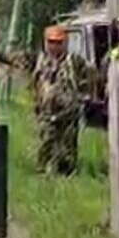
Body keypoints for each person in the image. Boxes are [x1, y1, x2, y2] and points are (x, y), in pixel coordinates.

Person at [33, 26, 86, 175]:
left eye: (58, 42)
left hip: (68, 113)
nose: (54, 46)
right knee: (46, 143)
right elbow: (17, 59)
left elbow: (89, 76)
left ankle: (67, 173)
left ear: (65, 43)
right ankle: (43, 173)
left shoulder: (73, 61)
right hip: (46, 112)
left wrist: (83, 96)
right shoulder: (41, 61)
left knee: (67, 148)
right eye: (51, 42)